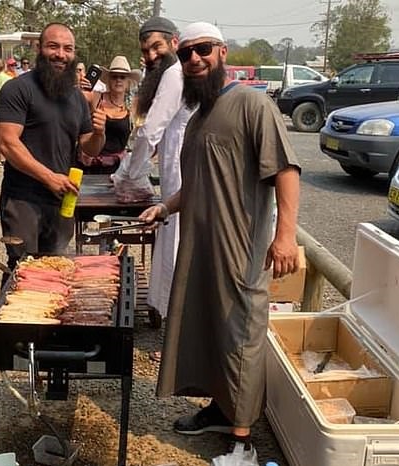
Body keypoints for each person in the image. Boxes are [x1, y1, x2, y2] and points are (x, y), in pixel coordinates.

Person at [138, 22, 301, 455]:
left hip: (240, 250)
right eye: (187, 53)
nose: (194, 59)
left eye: (203, 50)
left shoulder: (252, 103)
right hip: (200, 250)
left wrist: (284, 237)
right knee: (210, 331)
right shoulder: (198, 117)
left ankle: (241, 443)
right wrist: (164, 207)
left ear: (222, 53)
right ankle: (219, 409)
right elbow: (196, 185)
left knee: (240, 337)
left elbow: (284, 170)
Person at [0, 22, 106, 271]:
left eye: (68, 48)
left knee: (55, 268)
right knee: (22, 270)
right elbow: (7, 143)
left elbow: (90, 147)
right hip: (23, 198)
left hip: (61, 200)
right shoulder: (18, 89)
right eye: (53, 46)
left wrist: (100, 133)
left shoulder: (76, 97)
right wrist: (48, 177)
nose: (61, 54)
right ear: (39, 48)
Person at [127, 16, 194, 322]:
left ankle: (175, 320)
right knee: (172, 245)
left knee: (177, 248)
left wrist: (129, 176)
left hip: (182, 176)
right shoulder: (178, 73)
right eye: (146, 50)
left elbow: (150, 130)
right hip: (176, 175)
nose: (151, 55)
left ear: (174, 43)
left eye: (157, 47)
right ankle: (170, 315)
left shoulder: (174, 73)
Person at [79, 56, 140, 174]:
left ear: (128, 82)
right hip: (89, 166)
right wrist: (80, 88)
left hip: (118, 169)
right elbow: (74, 100)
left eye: (122, 77)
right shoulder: (96, 97)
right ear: (108, 80)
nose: (118, 80)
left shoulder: (133, 106)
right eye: (114, 77)